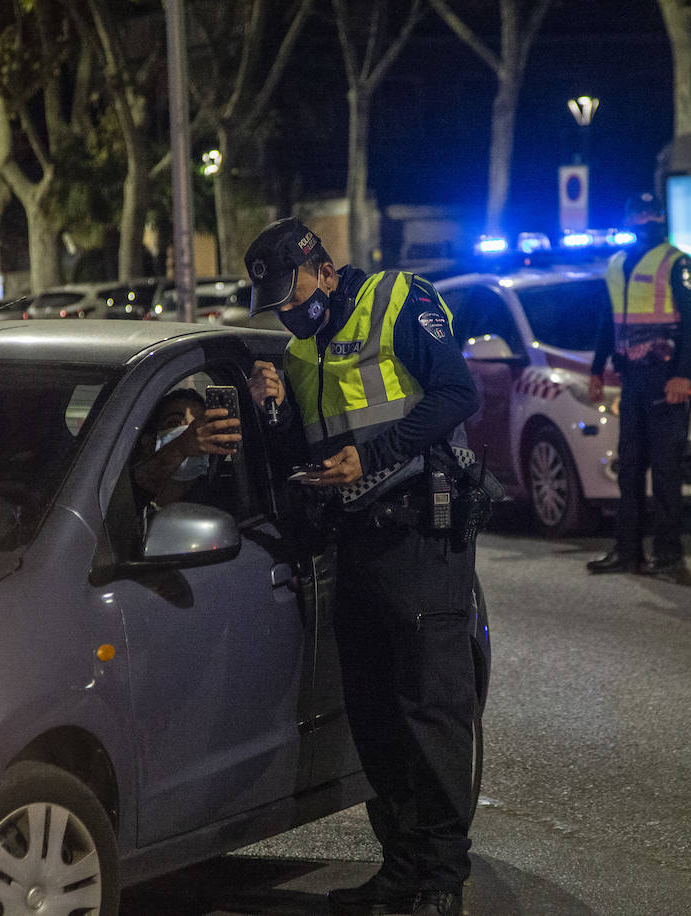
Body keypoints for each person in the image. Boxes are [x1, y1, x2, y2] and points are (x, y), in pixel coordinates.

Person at [244, 217, 480, 916]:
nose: (288, 311)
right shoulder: (300, 355)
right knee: (375, 718)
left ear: (321, 267)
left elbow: (457, 395)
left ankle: (441, 882)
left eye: (292, 293)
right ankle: (401, 869)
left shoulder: (398, 299)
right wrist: (279, 414)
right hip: (357, 545)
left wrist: (376, 458)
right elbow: (305, 461)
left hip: (422, 540)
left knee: (429, 715)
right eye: (276, 303)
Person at [586, 192, 691, 576]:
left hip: (664, 377)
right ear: (629, 217)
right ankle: (628, 551)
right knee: (630, 466)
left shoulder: (677, 263)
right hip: (631, 378)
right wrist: (596, 368)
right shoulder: (617, 263)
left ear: (662, 218)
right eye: (639, 212)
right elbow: (608, 319)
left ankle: (669, 555)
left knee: (667, 469)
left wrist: (683, 375)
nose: (646, 218)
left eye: (653, 212)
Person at [131, 387, 240, 511]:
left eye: (199, 426)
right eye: (175, 423)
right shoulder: (126, 495)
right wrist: (180, 447)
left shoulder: (220, 500)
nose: (193, 434)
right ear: (148, 441)